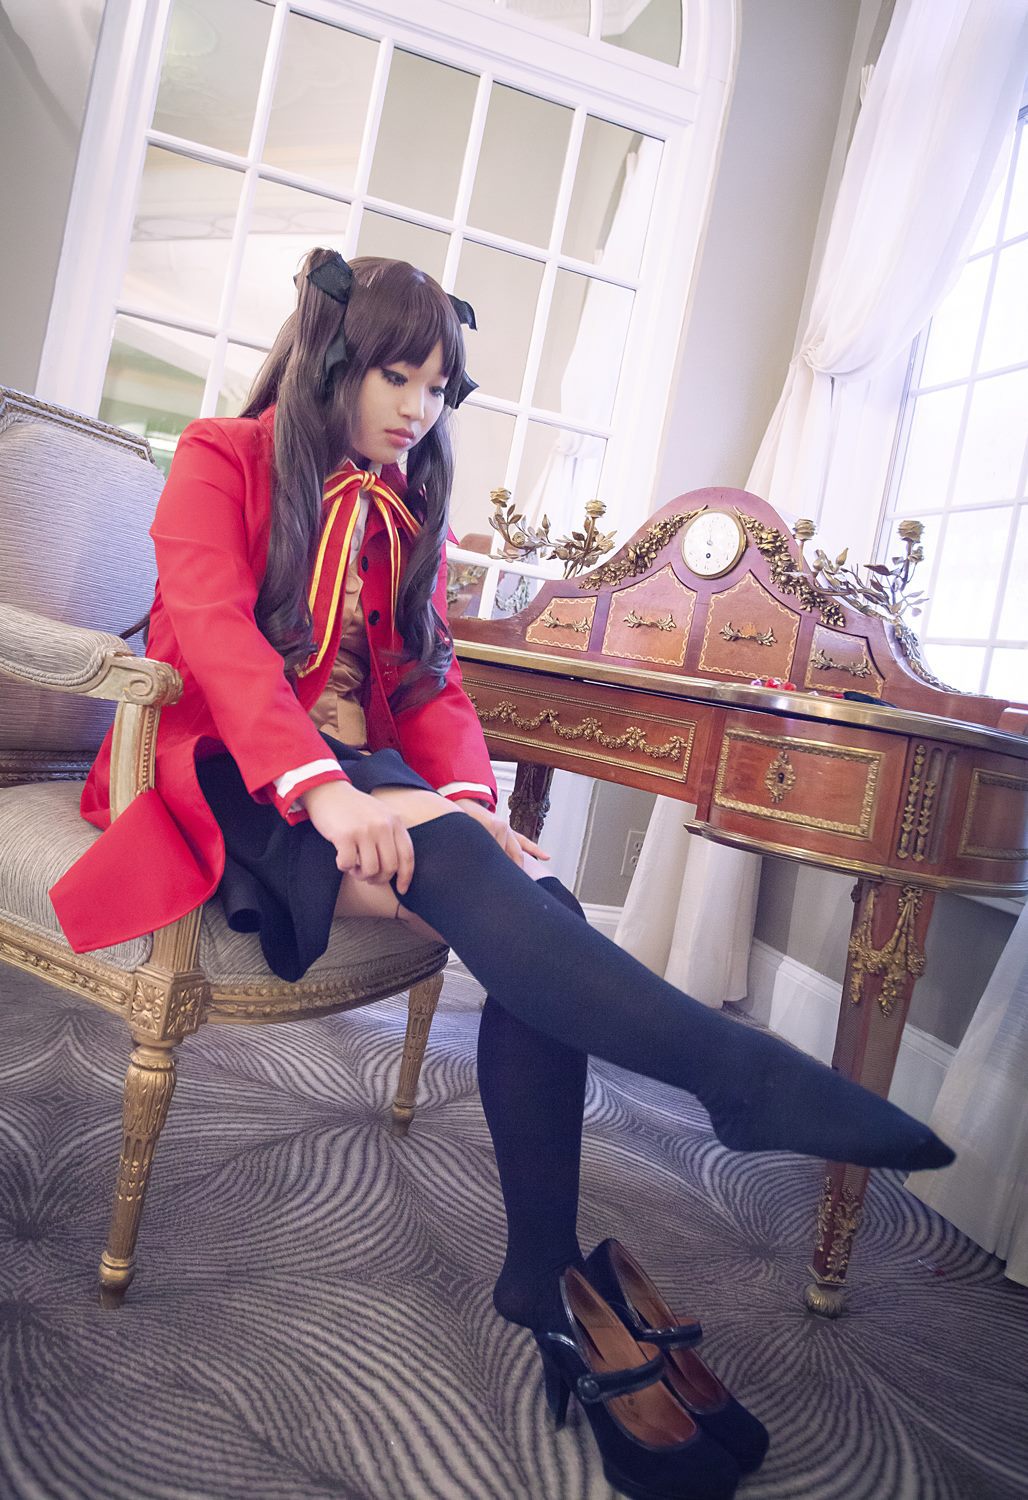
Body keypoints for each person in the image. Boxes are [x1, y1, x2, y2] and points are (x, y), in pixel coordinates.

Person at [51, 251, 953, 1500]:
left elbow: (427, 683)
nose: (418, 407)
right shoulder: (222, 456)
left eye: (438, 386)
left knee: (539, 897)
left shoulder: (402, 501)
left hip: (356, 766)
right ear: (331, 360)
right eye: (396, 375)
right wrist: (325, 789)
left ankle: (543, 1272)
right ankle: (727, 1076)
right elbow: (211, 633)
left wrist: (468, 799)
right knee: (493, 881)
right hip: (226, 765)